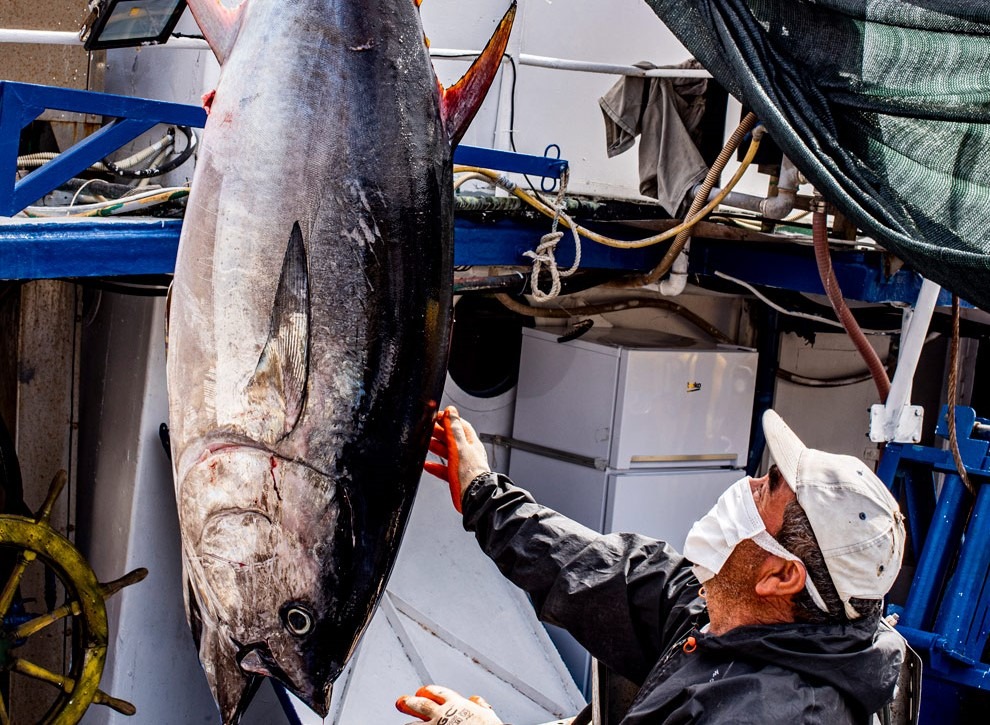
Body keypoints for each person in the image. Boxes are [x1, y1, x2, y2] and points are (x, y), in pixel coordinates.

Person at [396, 407, 907, 724]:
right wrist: (485, 497)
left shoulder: (771, 713)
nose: (748, 486)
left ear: (780, 577)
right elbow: (600, 572)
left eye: (767, 488)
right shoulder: (724, 613)